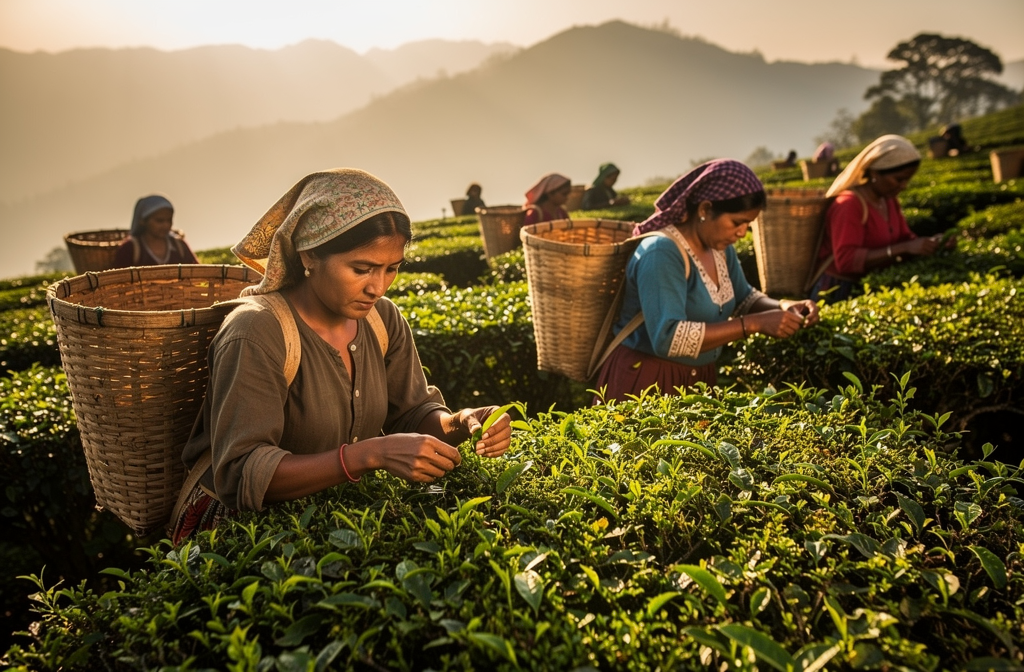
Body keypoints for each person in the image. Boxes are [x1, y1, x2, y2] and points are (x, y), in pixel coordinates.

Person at [172, 169, 513, 542]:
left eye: (392, 269)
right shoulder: (256, 331)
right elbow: (241, 472)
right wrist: (366, 456)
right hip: (245, 535)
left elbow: (412, 413)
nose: (378, 287)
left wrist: (461, 422)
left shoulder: (383, 319)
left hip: (339, 520)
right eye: (362, 269)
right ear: (309, 254)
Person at [594, 160, 819, 403]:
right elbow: (668, 338)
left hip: (697, 381)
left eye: (747, 224)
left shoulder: (720, 247)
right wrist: (753, 325)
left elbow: (744, 298)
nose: (742, 233)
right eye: (736, 222)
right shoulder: (661, 252)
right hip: (646, 383)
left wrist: (783, 307)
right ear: (705, 209)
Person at [809, 135, 942, 301]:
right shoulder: (848, 204)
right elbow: (846, 260)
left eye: (908, 179)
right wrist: (904, 248)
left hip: (870, 287)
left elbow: (905, 238)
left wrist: (929, 244)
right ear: (875, 173)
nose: (904, 186)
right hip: (837, 290)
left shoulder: (889, 200)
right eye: (899, 179)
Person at [113, 195, 199, 267]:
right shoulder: (130, 249)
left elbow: (198, 274)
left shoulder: (179, 246)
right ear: (143, 221)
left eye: (169, 220)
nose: (166, 225)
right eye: (159, 221)